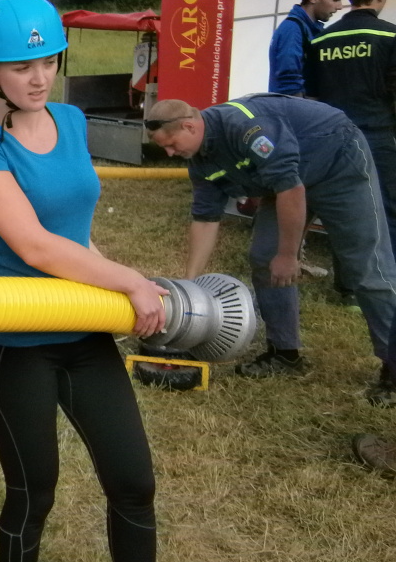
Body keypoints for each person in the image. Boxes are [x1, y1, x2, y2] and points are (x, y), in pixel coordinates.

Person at [0, 0, 220, 562]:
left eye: (48, 61)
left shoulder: (70, 120)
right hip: (15, 341)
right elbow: (34, 245)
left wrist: (118, 289)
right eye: (21, 66)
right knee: (33, 490)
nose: (38, 77)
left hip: (83, 332)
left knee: (133, 479)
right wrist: (131, 279)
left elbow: (76, 236)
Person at [146, 96, 396, 405]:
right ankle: (284, 353)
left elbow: (291, 188)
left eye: (171, 144)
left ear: (189, 126)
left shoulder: (245, 127)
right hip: (286, 183)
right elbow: (205, 220)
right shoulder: (200, 160)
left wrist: (289, 255)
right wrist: (189, 286)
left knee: (368, 268)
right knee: (265, 258)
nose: (170, 154)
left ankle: (393, 369)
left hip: (336, 162)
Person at [304, 0, 396, 256]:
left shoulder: (320, 40)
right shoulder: (390, 36)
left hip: (334, 138)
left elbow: (311, 97)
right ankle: (388, 275)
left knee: (344, 208)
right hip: (378, 135)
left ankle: (347, 276)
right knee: (387, 207)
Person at [267, 0, 343, 95]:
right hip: (293, 105)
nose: (340, 7)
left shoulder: (309, 29)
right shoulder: (292, 29)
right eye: (335, 0)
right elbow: (288, 81)